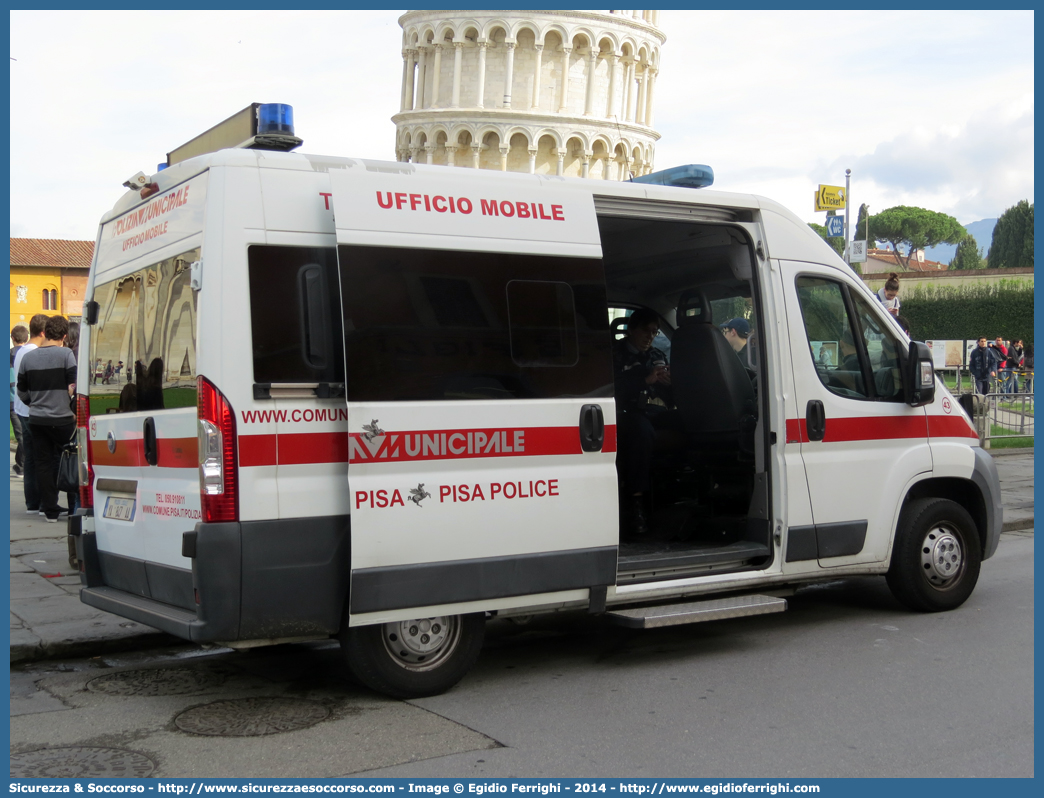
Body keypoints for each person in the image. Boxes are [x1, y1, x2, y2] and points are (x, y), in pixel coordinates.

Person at [613, 308, 672, 539]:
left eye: (655, 332)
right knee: (641, 432)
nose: (650, 337)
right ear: (631, 330)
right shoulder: (615, 354)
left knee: (689, 423)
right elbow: (613, 388)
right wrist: (645, 379)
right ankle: (636, 503)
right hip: (626, 412)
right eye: (646, 331)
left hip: (656, 409)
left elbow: (672, 398)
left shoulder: (658, 354)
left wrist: (670, 384)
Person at [16, 315, 76, 522]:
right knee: (71, 460)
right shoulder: (66, 354)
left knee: (43, 463)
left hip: (38, 418)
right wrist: (68, 404)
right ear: (64, 336)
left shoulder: (28, 358)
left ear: (46, 333)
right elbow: (73, 387)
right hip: (62, 419)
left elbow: (21, 390)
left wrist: (32, 403)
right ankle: (74, 507)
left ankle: (49, 509)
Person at [13, 315, 48, 513]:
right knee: (41, 457)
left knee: (31, 458)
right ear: (43, 333)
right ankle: (44, 502)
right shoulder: (35, 353)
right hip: (32, 410)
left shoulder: (21, 351)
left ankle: (32, 502)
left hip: (21, 408)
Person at [10, 325, 29, 477]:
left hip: (11, 399)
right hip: (18, 401)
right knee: (22, 434)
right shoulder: (31, 354)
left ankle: (20, 465)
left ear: (13, 338)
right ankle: (21, 466)